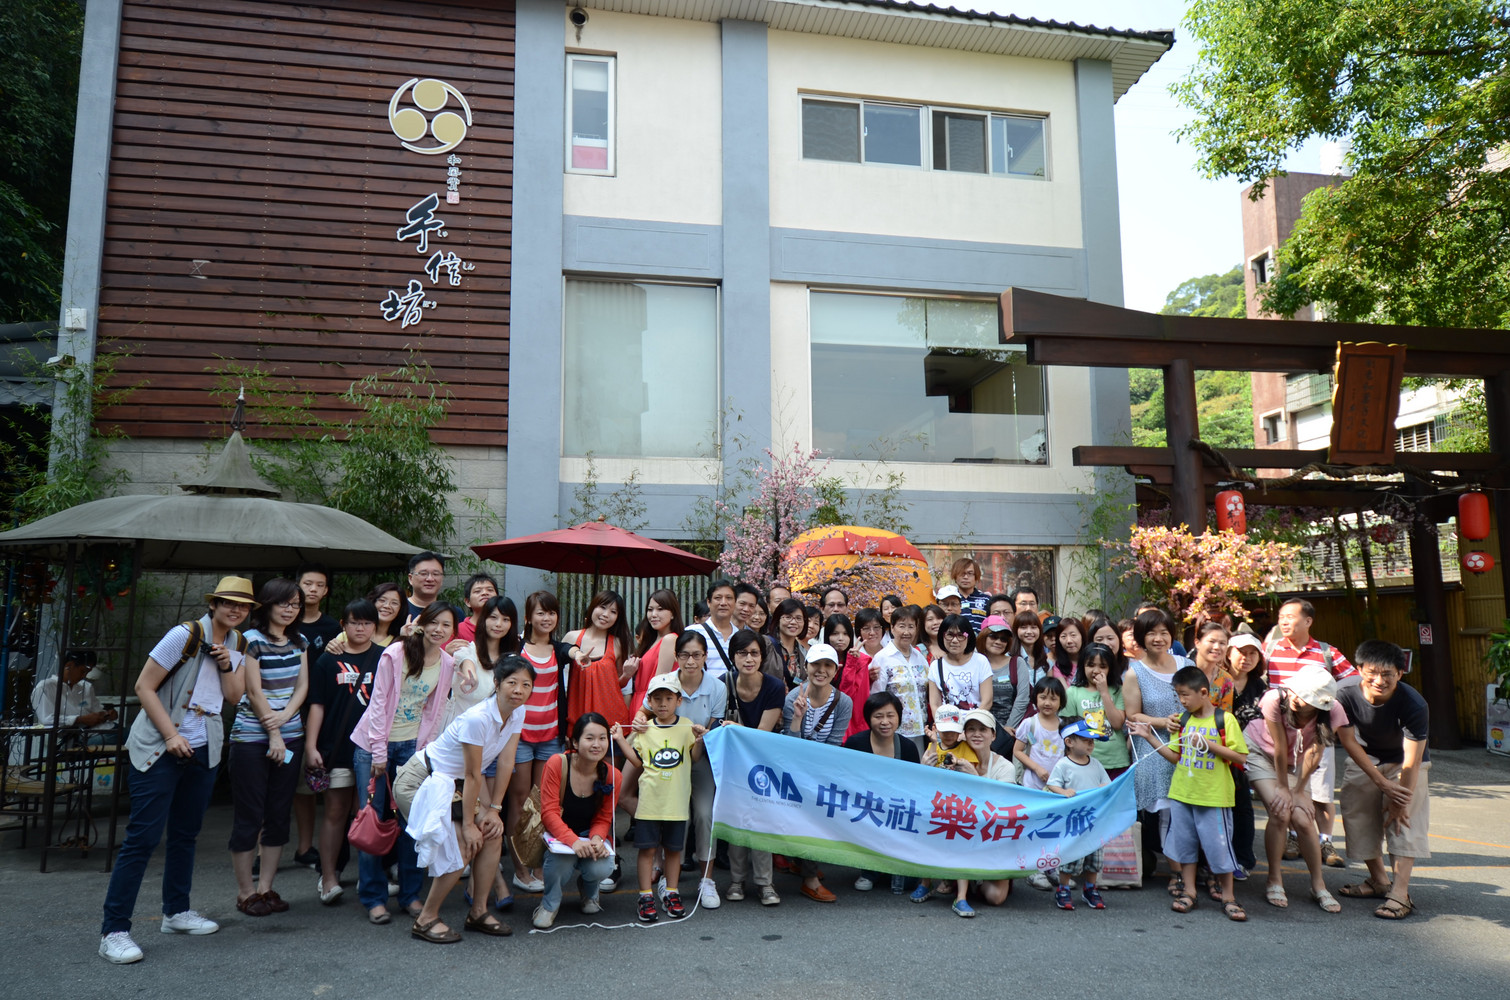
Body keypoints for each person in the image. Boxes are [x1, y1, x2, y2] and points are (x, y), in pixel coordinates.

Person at [99, 577, 254, 965]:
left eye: (243, 606)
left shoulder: (239, 642)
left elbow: (234, 696)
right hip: (160, 746)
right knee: (142, 838)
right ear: (214, 604)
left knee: (186, 834)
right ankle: (113, 931)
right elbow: (144, 687)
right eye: (229, 603)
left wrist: (226, 664)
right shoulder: (183, 635)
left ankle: (176, 912)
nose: (236, 610)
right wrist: (170, 735)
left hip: (204, 747)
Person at [392, 655, 533, 942]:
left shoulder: (517, 712)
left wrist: (494, 810)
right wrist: (469, 824)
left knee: (492, 834)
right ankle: (426, 919)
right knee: (463, 843)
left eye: (526, 684)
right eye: (512, 683)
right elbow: (472, 774)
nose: (519, 690)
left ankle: (478, 912)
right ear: (496, 684)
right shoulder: (477, 718)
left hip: (457, 784)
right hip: (422, 780)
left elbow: (506, 762)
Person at [349, 602, 458, 924]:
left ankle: (411, 894)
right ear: (422, 623)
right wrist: (379, 751)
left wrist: (424, 751)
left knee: (414, 820)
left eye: (447, 625)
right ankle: (373, 897)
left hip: (413, 747)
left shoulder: (448, 662)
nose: (439, 630)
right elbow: (378, 702)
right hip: (373, 745)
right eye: (434, 622)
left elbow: (435, 710)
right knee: (373, 819)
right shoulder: (395, 654)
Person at [1130, 666, 1250, 922]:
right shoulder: (1183, 721)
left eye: (1185, 695)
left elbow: (1240, 757)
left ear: (1203, 692)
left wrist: (1209, 745)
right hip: (1182, 795)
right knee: (1185, 847)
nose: (1182, 701)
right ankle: (1189, 891)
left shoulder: (1224, 720)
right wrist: (1150, 737)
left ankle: (1229, 897)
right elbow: (1176, 757)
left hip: (1214, 797)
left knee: (1219, 848)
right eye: (1178, 695)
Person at [228, 578, 309, 918]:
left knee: (278, 813)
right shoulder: (250, 640)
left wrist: (285, 719)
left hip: (290, 735)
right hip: (251, 737)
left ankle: (266, 887)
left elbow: (302, 687)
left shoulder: (300, 641)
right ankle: (245, 892)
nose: (290, 609)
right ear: (268, 605)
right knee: (249, 814)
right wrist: (274, 732)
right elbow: (253, 691)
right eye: (283, 603)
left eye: (296, 604)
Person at [1334, 640, 1429, 919]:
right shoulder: (1344, 693)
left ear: (1400, 673)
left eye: (1388, 674)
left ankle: (1400, 894)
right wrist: (1380, 781)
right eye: (1372, 672)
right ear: (1359, 669)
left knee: (1403, 821)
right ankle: (1379, 881)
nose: (1379, 680)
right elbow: (1348, 741)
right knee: (1358, 815)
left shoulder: (1414, 703)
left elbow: (1411, 760)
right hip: (1365, 756)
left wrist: (1400, 799)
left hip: (1405, 762)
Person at [1243, 663, 1348, 913]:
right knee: (1280, 811)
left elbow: (1315, 751)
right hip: (1260, 751)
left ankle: (1318, 884)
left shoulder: (1333, 710)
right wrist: (1282, 786)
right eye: (1296, 692)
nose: (1296, 698)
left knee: (1302, 817)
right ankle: (1274, 878)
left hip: (1296, 761)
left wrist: (1299, 790)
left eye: (1305, 697)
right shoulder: (1275, 699)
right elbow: (1279, 745)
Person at [1263, 597, 1356, 868]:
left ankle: (1326, 841)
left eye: (1290, 616)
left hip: (1316, 730)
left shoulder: (1327, 652)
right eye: (1281, 617)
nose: (1284, 621)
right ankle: (1294, 837)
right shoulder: (1270, 650)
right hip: (1281, 730)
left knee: (1322, 790)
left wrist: (1332, 708)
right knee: (1289, 784)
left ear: (1308, 621)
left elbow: (1352, 681)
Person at [305, 599, 385, 905]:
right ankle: (328, 878)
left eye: (366, 623)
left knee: (365, 814)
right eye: (354, 622)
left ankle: (369, 878)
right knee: (335, 813)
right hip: (336, 748)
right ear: (343, 625)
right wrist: (311, 746)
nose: (360, 628)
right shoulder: (327, 661)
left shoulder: (385, 657)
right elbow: (317, 705)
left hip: (372, 749)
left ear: (375, 626)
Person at [444, 594, 521, 910]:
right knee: (483, 817)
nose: (499, 624)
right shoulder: (466, 650)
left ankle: (478, 886)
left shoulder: (513, 660)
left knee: (488, 817)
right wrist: (469, 672)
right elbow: (464, 663)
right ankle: (496, 885)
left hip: (494, 749)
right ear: (482, 619)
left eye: (506, 619)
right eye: (493, 617)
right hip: (463, 752)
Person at [612, 674, 705, 923]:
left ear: (679, 701)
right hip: (649, 804)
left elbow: (694, 758)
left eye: (668, 698)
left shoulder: (687, 726)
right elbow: (637, 762)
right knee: (647, 850)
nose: (663, 704)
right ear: (649, 702)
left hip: (676, 803)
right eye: (657, 699)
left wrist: (699, 741)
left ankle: (671, 891)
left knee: (674, 851)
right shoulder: (645, 729)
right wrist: (620, 739)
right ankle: (645, 895)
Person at [510, 591, 587, 892]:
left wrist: (578, 654)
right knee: (519, 800)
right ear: (528, 617)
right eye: (540, 612)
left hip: (550, 735)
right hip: (519, 736)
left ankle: (539, 863)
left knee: (543, 801)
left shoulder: (557, 649)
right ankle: (519, 868)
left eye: (552, 612)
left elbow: (570, 650)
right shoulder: (516, 647)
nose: (546, 618)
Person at [1123, 606, 1191, 891]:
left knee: (1189, 809)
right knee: (1167, 811)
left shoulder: (1186, 665)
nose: (1158, 638)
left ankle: (1192, 867)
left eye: (1164, 632)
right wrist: (1163, 722)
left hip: (1188, 744)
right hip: (1152, 744)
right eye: (1151, 633)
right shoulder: (1134, 672)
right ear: (1141, 637)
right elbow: (1132, 715)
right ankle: (1177, 873)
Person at [534, 712, 621, 927]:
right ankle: (550, 904)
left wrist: (597, 839)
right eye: (589, 738)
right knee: (559, 864)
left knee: (603, 866)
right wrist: (573, 842)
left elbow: (604, 817)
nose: (597, 744)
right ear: (575, 742)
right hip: (559, 836)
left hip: (588, 834)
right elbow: (549, 812)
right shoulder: (557, 763)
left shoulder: (613, 775)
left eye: (602, 738)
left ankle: (589, 891)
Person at [782, 643, 853, 903]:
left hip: (823, 769)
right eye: (816, 665)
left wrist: (817, 775)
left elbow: (834, 745)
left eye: (827, 666)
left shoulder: (843, 702)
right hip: (794, 768)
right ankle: (809, 878)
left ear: (836, 670)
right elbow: (790, 744)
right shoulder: (793, 697)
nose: (821, 670)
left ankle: (803, 864)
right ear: (806, 667)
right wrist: (797, 717)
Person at [720, 628, 785, 905]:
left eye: (754, 653)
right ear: (732, 656)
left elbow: (762, 734)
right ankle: (736, 880)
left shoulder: (774, 686)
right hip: (732, 763)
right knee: (737, 821)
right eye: (742, 653)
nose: (749, 659)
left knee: (761, 820)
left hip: (763, 762)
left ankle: (765, 883)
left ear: (762, 657)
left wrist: (736, 729)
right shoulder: (722, 684)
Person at [660, 631, 724, 910]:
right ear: (676, 656)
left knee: (704, 814)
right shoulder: (664, 682)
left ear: (705, 657)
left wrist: (702, 736)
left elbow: (715, 727)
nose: (690, 661)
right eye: (684, 655)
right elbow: (646, 714)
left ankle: (707, 880)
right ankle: (667, 879)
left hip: (701, 759)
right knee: (675, 817)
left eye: (697, 655)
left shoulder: (717, 687)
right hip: (667, 759)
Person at [289, 564, 340, 870]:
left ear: (325, 591)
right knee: (272, 783)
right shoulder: (283, 620)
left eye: (319, 585)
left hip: (316, 708)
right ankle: (261, 852)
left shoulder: (332, 627)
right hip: (282, 709)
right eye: (307, 583)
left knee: (306, 783)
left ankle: (305, 847)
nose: (312, 589)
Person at [1045, 718, 1113, 911]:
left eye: (1092, 741)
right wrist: (1063, 792)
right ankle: (1063, 888)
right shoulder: (1063, 765)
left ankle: (1090, 888)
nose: (1091, 744)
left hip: (1094, 820)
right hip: (1073, 822)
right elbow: (1052, 784)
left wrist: (1103, 787)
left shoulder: (1096, 764)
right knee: (1070, 857)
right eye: (1086, 740)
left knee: (1094, 858)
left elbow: (1106, 783)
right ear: (1069, 742)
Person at [956, 708, 1019, 907]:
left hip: (994, 836)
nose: (976, 734)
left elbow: (1001, 809)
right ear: (964, 734)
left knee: (995, 897)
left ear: (993, 735)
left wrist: (975, 778)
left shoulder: (1005, 767)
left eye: (983, 729)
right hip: (963, 833)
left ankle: (978, 881)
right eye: (971, 729)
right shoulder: (954, 760)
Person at [564, 590, 634, 735]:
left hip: (611, 721)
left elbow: (617, 684)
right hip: (577, 719)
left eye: (613, 611)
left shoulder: (618, 643)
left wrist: (627, 675)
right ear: (593, 607)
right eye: (602, 607)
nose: (606, 614)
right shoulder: (572, 638)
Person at [1227, 630, 1268, 876]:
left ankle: (1242, 858)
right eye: (1242, 652)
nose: (1247, 658)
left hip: (1247, 753)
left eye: (1253, 653)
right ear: (1228, 653)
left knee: (1242, 806)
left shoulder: (1258, 685)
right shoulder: (1218, 680)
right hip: (1218, 749)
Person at [1061, 643, 1129, 777]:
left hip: (1116, 760)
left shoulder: (1117, 690)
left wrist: (1104, 692)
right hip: (1084, 760)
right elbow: (1068, 729)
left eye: (1103, 666)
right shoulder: (1072, 692)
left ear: (1110, 668)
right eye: (1091, 665)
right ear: (1083, 666)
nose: (1096, 670)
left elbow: (1117, 723)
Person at [868, 604, 930, 753]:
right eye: (902, 626)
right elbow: (877, 695)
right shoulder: (883, 658)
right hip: (894, 729)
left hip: (920, 728)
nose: (907, 632)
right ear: (892, 627)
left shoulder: (919, 657)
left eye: (911, 627)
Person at [32, 648, 116, 737]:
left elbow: (97, 709)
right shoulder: (45, 687)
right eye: (82, 671)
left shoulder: (86, 687)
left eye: (87, 672)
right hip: (79, 737)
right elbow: (47, 720)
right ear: (69, 665)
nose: (84, 676)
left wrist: (107, 714)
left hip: (105, 729)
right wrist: (80, 719)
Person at [626, 589, 682, 718]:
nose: (653, 614)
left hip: (650, 707)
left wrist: (645, 711)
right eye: (650, 610)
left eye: (660, 609)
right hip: (640, 702)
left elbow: (659, 684)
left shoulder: (669, 639)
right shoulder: (651, 640)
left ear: (673, 614)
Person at [927, 613, 992, 714]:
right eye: (949, 635)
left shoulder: (980, 661)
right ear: (942, 636)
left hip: (976, 720)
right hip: (948, 721)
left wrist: (972, 721)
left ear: (968, 637)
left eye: (960, 636)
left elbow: (987, 702)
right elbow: (935, 704)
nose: (955, 640)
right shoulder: (936, 666)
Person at [1014, 675, 1067, 792]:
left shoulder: (1064, 726)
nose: (1047, 703)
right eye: (1043, 697)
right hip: (1031, 784)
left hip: (1057, 785)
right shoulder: (1029, 724)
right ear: (1036, 698)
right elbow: (1017, 751)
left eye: (1053, 699)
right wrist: (1037, 768)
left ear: (1061, 701)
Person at [823, 614, 871, 739]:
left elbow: (846, 697)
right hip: (825, 724)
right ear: (827, 636)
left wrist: (851, 663)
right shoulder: (821, 660)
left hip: (852, 727)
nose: (841, 638)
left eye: (845, 634)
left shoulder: (860, 661)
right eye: (835, 634)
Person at [978, 614, 1017, 756]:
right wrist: (997, 729)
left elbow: (1022, 699)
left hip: (1011, 732)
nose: (998, 641)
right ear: (983, 636)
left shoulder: (1016, 663)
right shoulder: (974, 663)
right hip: (981, 729)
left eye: (1003, 639)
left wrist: (1007, 728)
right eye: (993, 636)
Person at [1006, 610, 1048, 729]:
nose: (1029, 632)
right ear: (1016, 630)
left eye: (1034, 627)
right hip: (1015, 719)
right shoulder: (1009, 659)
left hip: (1041, 719)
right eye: (1023, 627)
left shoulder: (1045, 659)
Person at [688, 580, 738, 680]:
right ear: (708, 602)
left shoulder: (740, 635)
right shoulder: (692, 632)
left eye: (729, 598)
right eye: (718, 598)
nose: (723, 603)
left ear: (735, 602)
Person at [1192, 621, 1236, 711]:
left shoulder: (1226, 679)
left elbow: (1225, 715)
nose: (1217, 647)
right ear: (1197, 643)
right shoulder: (1182, 670)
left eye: (1222, 643)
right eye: (1212, 641)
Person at [767, 597, 808, 687]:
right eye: (788, 617)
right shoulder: (766, 645)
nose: (793, 622)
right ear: (778, 620)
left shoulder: (804, 652)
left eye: (798, 618)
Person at [404, 551, 447, 624]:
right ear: (410, 578)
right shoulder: (397, 610)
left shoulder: (453, 612)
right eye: (423, 574)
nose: (430, 579)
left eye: (435, 574)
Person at [455, 572, 499, 643]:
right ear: (468, 602)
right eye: (478, 591)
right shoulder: (458, 631)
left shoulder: (503, 628)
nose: (485, 593)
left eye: (490, 590)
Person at [950, 557, 990, 632]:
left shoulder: (986, 599)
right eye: (962, 573)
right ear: (955, 576)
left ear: (976, 577)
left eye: (970, 573)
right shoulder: (950, 599)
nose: (965, 577)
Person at [1050, 617, 1085, 685]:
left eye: (1073, 635)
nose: (1069, 641)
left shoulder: (1091, 661)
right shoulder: (1058, 667)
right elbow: (1065, 690)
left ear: (1082, 636)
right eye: (1063, 636)